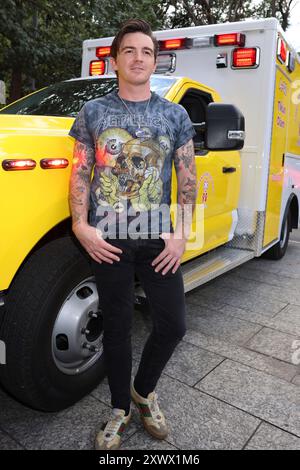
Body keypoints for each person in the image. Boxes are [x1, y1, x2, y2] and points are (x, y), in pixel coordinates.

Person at [68, 18, 197, 450]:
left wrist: (182, 235)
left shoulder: (175, 114)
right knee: (118, 327)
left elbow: (187, 179)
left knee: (174, 325)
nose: (138, 58)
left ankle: (144, 393)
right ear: (115, 59)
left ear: (154, 60)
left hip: (158, 238)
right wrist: (80, 225)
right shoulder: (94, 112)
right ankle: (120, 408)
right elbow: (81, 170)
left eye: (146, 51)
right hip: (109, 240)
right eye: (129, 51)